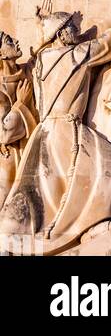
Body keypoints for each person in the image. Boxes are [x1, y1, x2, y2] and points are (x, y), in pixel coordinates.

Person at [0, 0, 111, 252]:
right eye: (71, 27)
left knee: (42, 189)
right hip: (65, 130)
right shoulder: (78, 54)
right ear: (62, 34)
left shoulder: (41, 62)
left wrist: (43, 30)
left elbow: (39, 53)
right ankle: (92, 224)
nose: (76, 29)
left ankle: (52, 229)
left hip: (44, 131)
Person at [0, 30, 36, 212]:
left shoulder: (27, 72)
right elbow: (3, 134)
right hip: (9, 158)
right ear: (1, 54)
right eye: (9, 41)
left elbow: (44, 56)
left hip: (32, 150)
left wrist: (42, 29)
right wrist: (20, 104)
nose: (16, 40)